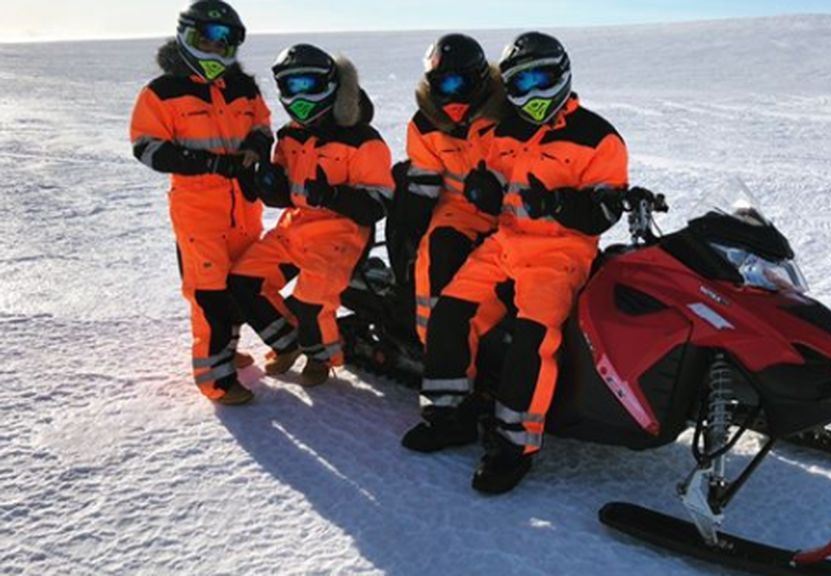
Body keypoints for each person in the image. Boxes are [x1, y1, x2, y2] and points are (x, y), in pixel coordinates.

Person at [402, 32, 628, 494]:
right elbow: (485, 188)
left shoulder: (597, 136)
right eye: (520, 82)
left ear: (562, 73)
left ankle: (513, 445)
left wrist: (560, 205)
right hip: (504, 243)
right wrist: (483, 193)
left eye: (541, 77)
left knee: (534, 339)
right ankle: (450, 414)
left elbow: (605, 211)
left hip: (559, 253)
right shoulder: (499, 131)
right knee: (449, 312)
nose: (532, 92)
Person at [129, 0, 272, 405]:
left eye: (224, 43)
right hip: (199, 214)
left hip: (244, 209)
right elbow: (147, 147)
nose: (214, 51)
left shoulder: (244, 87)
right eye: (204, 40)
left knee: (236, 286)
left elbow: (262, 123)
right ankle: (216, 379)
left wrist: (258, 145)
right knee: (208, 292)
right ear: (185, 37)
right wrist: (206, 163)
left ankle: (226, 350)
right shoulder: (162, 92)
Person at [227, 44, 393, 387]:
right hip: (295, 229)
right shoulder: (290, 135)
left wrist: (333, 196)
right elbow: (283, 191)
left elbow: (377, 204)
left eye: (308, 85)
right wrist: (266, 183)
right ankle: (288, 343)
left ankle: (321, 354)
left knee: (311, 305)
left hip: (341, 236)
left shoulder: (363, 140)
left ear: (331, 86)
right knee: (243, 282)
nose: (300, 95)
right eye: (291, 86)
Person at [389, 33, 506, 345]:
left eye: (460, 84)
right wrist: (409, 230)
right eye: (443, 85)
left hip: (513, 209)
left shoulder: (507, 115)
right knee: (437, 252)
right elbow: (424, 182)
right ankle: (437, 347)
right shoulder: (425, 124)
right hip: (457, 210)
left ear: (480, 80)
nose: (452, 96)